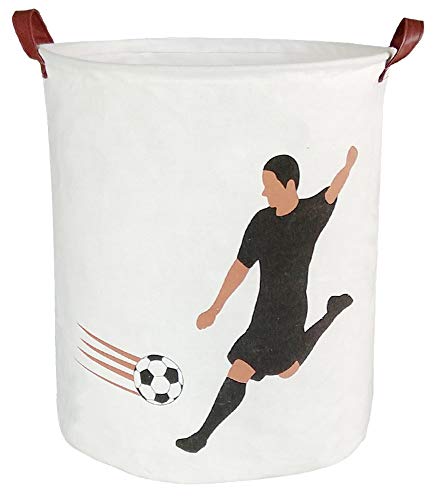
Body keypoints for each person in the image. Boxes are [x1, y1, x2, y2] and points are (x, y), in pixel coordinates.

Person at [176, 146, 358, 453]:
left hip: (291, 313)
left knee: (287, 370)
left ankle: (332, 313)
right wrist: (215, 309)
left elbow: (334, 189)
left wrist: (349, 166)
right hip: (263, 315)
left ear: (290, 185)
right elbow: (239, 268)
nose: (264, 193)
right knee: (240, 369)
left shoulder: (310, 214)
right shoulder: (261, 222)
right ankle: (202, 436)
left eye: (270, 186)